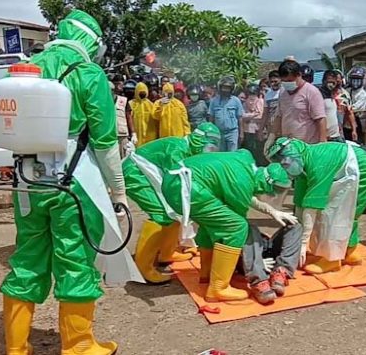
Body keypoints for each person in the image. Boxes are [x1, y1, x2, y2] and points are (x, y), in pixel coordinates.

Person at [0, 9, 129, 355]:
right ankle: (79, 346)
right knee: (74, 260)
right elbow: (104, 143)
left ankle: (16, 349)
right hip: (72, 183)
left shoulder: (27, 69)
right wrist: (119, 193)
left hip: (26, 182)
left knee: (27, 259)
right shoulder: (88, 74)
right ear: (90, 40)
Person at [161, 150, 294, 302]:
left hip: (176, 181)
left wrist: (271, 211)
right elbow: (239, 218)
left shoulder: (247, 166)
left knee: (211, 223)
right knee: (236, 226)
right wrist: (256, 261)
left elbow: (245, 195)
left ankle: (207, 273)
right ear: (267, 183)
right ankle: (219, 288)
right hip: (188, 187)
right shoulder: (242, 182)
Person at [266, 137, 366, 274]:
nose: (283, 165)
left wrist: (303, 243)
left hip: (365, 170)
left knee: (337, 213)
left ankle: (332, 259)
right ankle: (349, 252)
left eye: (284, 162)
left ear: (292, 157)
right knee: (345, 214)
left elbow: (311, 208)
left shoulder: (317, 165)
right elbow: (300, 204)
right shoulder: (303, 165)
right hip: (350, 169)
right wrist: (295, 239)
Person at [123, 123, 221, 283]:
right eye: (209, 148)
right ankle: (143, 268)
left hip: (149, 173)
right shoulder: (178, 150)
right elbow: (177, 183)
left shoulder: (188, 151)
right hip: (135, 173)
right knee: (161, 214)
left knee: (174, 214)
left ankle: (166, 254)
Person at [272, 60, 327, 144]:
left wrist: (323, 143)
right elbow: (279, 116)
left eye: (290, 81)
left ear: (299, 75)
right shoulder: (283, 92)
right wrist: (271, 137)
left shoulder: (311, 92)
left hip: (307, 146)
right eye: (284, 81)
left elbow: (320, 119)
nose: (287, 83)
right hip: (288, 145)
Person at [209, 76, 244, 151]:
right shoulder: (214, 101)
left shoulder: (236, 101)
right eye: (224, 87)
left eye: (228, 88)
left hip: (232, 132)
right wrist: (211, 132)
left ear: (232, 89)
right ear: (220, 88)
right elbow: (211, 118)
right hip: (219, 133)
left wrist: (241, 133)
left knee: (232, 154)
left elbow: (240, 118)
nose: (225, 90)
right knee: (221, 154)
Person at [128, 81, 158, 146]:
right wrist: (133, 133)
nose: (142, 94)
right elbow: (129, 118)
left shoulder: (151, 105)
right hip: (136, 136)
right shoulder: (131, 104)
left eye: (144, 92)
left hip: (150, 136)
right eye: (140, 92)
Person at [259, 70, 283, 153]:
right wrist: (260, 129)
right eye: (271, 81)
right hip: (271, 128)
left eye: (275, 81)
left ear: (280, 80)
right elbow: (265, 113)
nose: (273, 84)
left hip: (283, 128)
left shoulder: (284, 93)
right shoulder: (268, 95)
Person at [241, 84, 265, 165]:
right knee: (249, 149)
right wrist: (254, 114)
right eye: (250, 93)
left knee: (258, 150)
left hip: (258, 130)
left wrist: (250, 116)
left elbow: (261, 116)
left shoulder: (260, 101)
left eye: (254, 93)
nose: (252, 96)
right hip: (247, 130)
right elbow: (242, 116)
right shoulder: (245, 103)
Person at [319, 70, 343, 142]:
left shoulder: (333, 95)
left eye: (333, 82)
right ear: (324, 81)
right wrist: (323, 135)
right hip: (327, 137)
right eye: (329, 81)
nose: (331, 84)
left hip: (336, 135)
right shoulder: (319, 95)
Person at [347, 66, 366, 144]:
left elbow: (353, 109)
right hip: (346, 122)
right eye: (353, 79)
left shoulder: (363, 94)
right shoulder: (348, 91)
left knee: (356, 143)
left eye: (358, 80)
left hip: (357, 121)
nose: (355, 82)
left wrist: (346, 108)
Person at [114, 77, 134, 157]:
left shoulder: (123, 100)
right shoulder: (105, 99)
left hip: (122, 134)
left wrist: (133, 133)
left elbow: (129, 117)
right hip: (109, 134)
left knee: (124, 157)